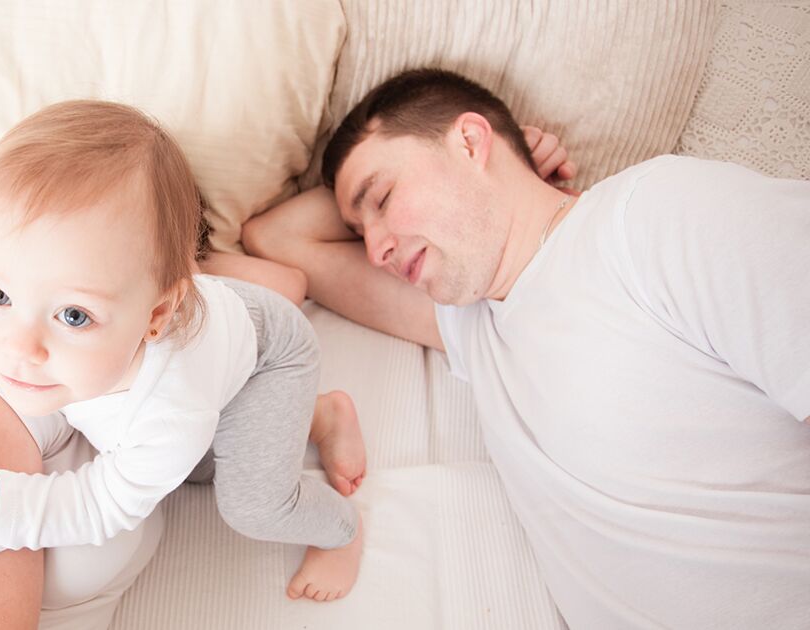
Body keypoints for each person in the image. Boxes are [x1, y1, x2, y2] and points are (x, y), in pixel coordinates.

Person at [243, 67, 810, 629]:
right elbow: (274, 238)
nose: (375, 251)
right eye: (358, 228)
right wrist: (485, 181)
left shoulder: (658, 215)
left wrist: (507, 172)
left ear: (469, 140)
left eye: (384, 197)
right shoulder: (472, 328)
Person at [0, 99, 372, 630]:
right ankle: (317, 416)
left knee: (248, 498)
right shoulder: (70, 312)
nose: (19, 349)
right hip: (206, 338)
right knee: (196, 459)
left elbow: (104, 502)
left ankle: (341, 529)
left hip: (266, 360)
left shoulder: (170, 409)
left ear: (156, 314)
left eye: (74, 316)